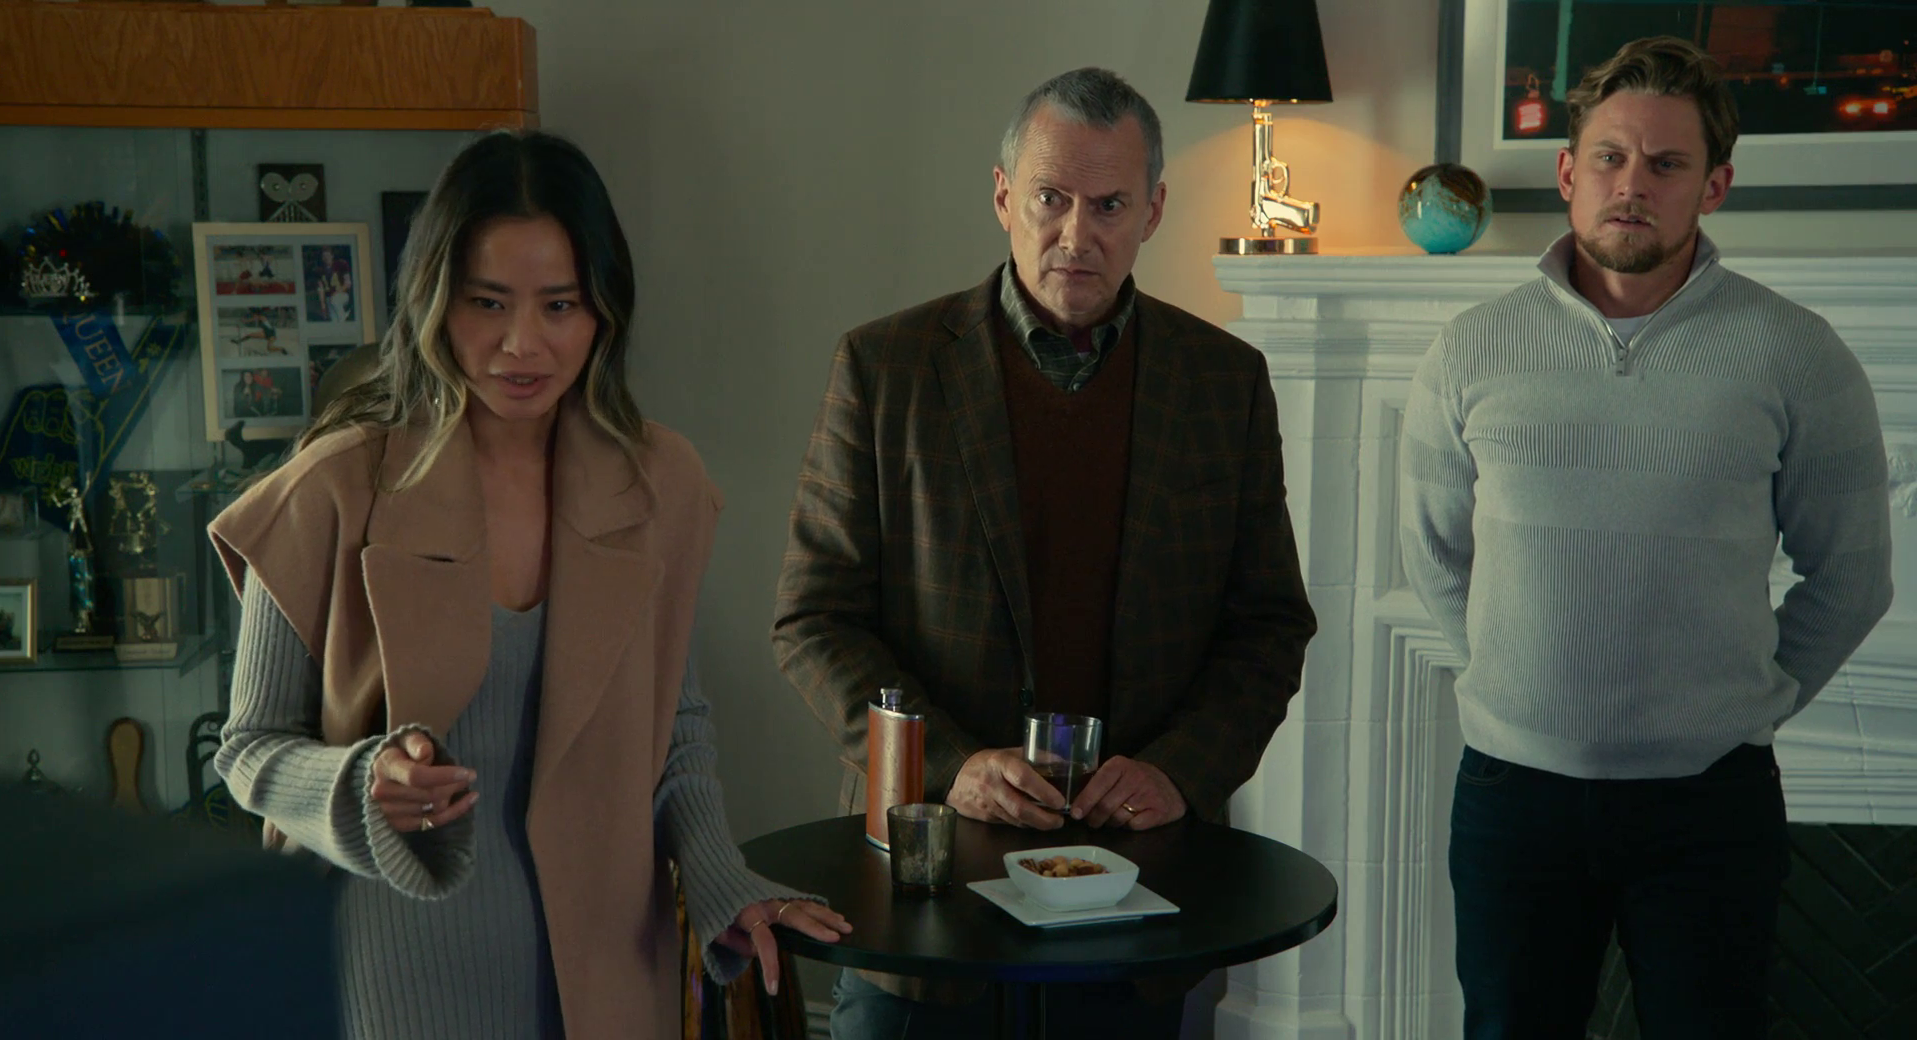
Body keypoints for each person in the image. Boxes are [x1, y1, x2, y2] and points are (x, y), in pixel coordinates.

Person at [210, 130, 851, 1040]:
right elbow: (249, 749)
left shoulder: (659, 484)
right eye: (487, 303)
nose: (523, 344)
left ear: (603, 312)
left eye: (560, 306)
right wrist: (361, 783)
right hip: (389, 972)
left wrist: (722, 882)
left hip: (604, 971)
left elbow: (675, 729)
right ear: (435, 300)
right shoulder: (333, 487)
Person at [773, 67, 1317, 1039]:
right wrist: (952, 765)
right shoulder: (885, 368)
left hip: (1134, 892)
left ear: (1153, 211)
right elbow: (814, 619)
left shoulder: (1223, 382)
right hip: (923, 891)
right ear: (1002, 198)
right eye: (1050, 198)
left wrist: (1178, 771)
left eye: (1108, 205)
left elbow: (1268, 625)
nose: (1076, 233)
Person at [1401, 37, 1893, 1039]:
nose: (1634, 185)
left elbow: (1851, 575)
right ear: (1568, 172)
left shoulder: (1798, 353)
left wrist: (1746, 701)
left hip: (1710, 800)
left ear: (1715, 186)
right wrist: (1515, 685)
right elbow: (1433, 554)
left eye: (1668, 164)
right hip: (1514, 795)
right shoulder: (1470, 347)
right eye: (1612, 158)